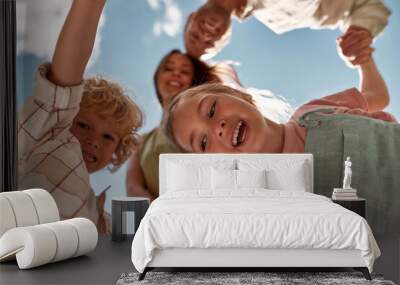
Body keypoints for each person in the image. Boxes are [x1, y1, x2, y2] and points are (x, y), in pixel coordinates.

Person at [165, 29, 399, 235]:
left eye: (211, 109)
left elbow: (378, 97)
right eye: (203, 143)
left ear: (240, 96)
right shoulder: (270, 207)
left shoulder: (311, 111)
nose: (217, 128)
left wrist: (363, 60)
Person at [18, 0, 143, 234]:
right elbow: (61, 88)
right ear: (68, 117)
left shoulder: (102, 218)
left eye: (108, 137)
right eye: (84, 125)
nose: (94, 141)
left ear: (117, 151)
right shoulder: (45, 137)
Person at [126, 50, 224, 201]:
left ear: (193, 81)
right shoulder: (142, 142)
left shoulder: (204, 126)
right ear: (157, 77)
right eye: (168, 69)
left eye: (184, 71)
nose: (176, 73)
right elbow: (133, 188)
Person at [184, 0, 391, 61]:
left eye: (194, 36)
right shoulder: (282, 19)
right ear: (226, 38)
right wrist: (359, 32)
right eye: (209, 44)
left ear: (190, 18)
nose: (204, 35)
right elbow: (364, 6)